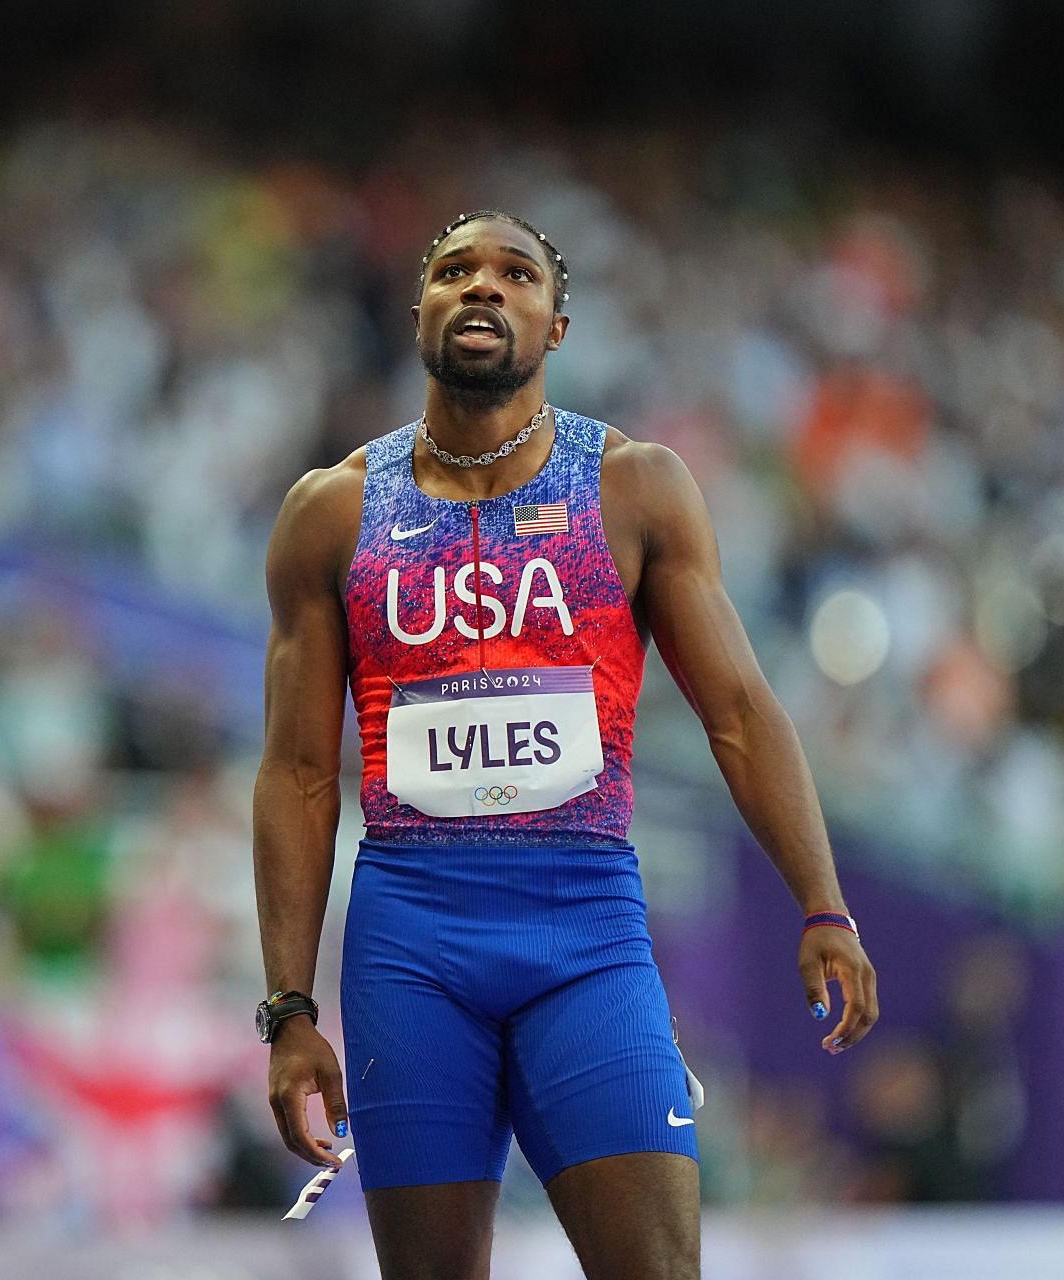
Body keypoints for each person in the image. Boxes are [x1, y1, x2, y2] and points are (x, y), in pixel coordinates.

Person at [252, 210, 879, 1278]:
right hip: (411, 939)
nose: (482, 288)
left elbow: (739, 710)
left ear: (558, 321)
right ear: (418, 314)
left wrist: (822, 900)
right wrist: (289, 1010)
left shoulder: (632, 485)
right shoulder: (333, 512)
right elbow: (300, 774)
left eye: (515, 274)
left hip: (584, 930)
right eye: (454, 271)